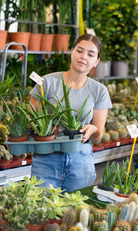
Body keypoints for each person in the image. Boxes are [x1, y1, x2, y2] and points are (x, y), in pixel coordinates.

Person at [29, 34, 112, 192]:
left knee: (76, 211)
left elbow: (99, 135)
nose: (83, 57)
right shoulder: (47, 82)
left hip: (80, 157)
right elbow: (31, 120)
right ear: (71, 52)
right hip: (47, 156)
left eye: (90, 54)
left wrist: (93, 129)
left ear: (96, 62)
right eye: (79, 51)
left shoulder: (99, 91)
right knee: (42, 210)